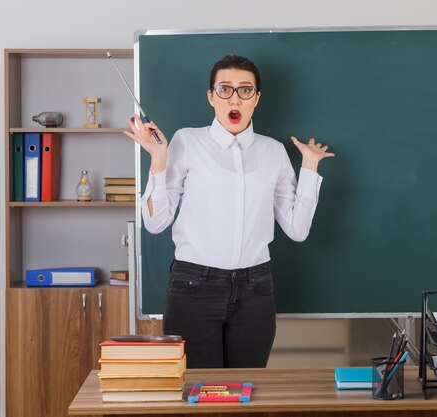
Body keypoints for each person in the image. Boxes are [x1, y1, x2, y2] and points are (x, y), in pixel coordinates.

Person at [123, 55, 334, 368]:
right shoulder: (186, 141)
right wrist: (157, 157)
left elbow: (297, 229)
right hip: (193, 287)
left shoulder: (272, 151)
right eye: (225, 89)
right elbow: (155, 223)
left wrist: (310, 166)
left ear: (257, 98)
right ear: (211, 97)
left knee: (248, 392)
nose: (234, 98)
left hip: (255, 290)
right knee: (199, 393)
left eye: (245, 90)